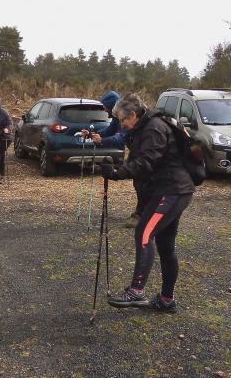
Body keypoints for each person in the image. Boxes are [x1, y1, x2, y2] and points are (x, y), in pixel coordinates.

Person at [100, 93, 195, 312]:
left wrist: (117, 172)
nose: (122, 125)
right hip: (170, 190)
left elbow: (146, 162)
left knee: (144, 233)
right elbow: (142, 164)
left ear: (133, 114)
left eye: (123, 120)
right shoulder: (141, 128)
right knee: (165, 245)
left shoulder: (153, 128)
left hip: (172, 190)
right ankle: (166, 300)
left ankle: (137, 291)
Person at [81, 91, 140, 227]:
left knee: (141, 182)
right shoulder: (115, 118)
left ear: (112, 106)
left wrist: (102, 140)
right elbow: (109, 131)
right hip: (134, 150)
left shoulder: (125, 117)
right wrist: (92, 135)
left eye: (105, 107)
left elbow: (120, 137)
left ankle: (141, 214)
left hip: (140, 150)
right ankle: (141, 212)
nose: (105, 110)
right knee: (138, 183)